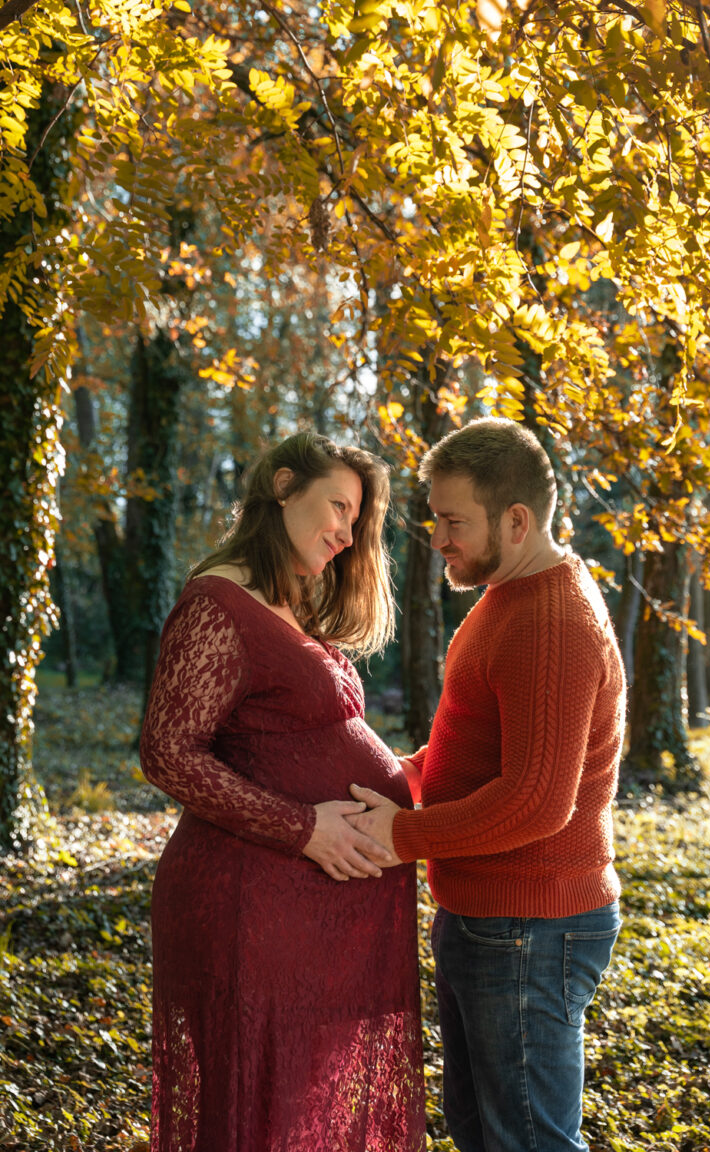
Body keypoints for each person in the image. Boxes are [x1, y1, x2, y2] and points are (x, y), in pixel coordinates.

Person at [140, 431, 425, 1152]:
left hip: (303, 919)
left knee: (294, 1124)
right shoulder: (217, 603)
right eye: (337, 505)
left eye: (357, 520)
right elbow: (168, 753)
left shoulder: (287, 606)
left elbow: (294, 741)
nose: (346, 531)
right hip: (247, 909)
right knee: (252, 1123)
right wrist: (305, 828)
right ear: (283, 486)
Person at [348, 417, 626, 1152]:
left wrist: (403, 836)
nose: (437, 537)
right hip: (490, 919)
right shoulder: (508, 597)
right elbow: (474, 746)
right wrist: (398, 780)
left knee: (527, 1143)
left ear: (516, 519)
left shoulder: (552, 621)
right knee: (485, 1136)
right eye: (435, 518)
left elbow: (536, 799)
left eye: (452, 521)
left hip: (529, 928)